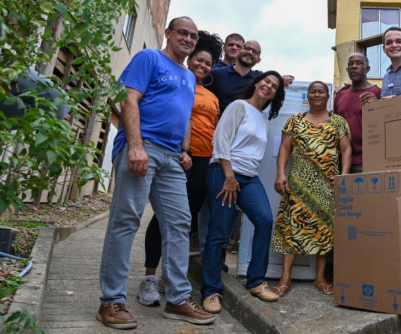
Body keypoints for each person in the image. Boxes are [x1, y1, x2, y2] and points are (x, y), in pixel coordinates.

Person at [97, 17, 214, 329]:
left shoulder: (189, 77)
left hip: (172, 158)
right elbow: (128, 99)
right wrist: (135, 146)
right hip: (143, 146)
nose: (188, 39)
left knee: (179, 224)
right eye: (183, 33)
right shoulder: (149, 58)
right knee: (126, 220)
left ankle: (177, 299)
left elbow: (182, 116)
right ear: (168, 33)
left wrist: (185, 151)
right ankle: (111, 301)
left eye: (193, 36)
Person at [138, 30, 223, 307]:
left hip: (203, 161)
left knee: (184, 220)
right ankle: (149, 277)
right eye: (199, 60)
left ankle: (169, 279)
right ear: (190, 59)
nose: (203, 65)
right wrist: (183, 151)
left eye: (208, 63)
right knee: (160, 219)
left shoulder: (212, 96)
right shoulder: (179, 83)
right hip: (178, 156)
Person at [200, 71, 286, 312]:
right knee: (219, 232)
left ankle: (256, 281)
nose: (268, 86)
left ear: (276, 94)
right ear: (257, 83)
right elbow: (221, 140)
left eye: (275, 86)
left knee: (265, 220)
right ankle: (211, 291)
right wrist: (228, 175)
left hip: (249, 177)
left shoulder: (263, 118)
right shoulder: (238, 106)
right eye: (266, 81)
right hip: (225, 172)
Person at [271, 81, 352, 297]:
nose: (317, 95)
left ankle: (320, 278)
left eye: (321, 92)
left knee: (325, 230)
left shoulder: (337, 121)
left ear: (328, 96)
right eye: (313, 92)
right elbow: (285, 147)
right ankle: (285, 277)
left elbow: (346, 149)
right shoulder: (295, 120)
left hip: (327, 186)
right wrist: (280, 173)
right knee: (292, 229)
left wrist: (343, 177)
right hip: (298, 185)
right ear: (308, 96)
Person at [333, 52, 381, 173]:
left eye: (359, 63)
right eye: (351, 64)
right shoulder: (340, 94)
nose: (354, 66)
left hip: (367, 162)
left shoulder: (377, 93)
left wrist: (377, 106)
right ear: (347, 69)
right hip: (341, 162)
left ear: (367, 68)